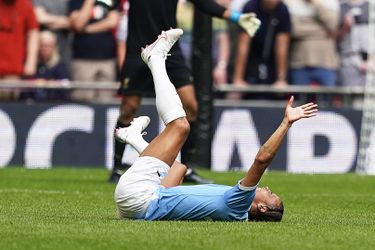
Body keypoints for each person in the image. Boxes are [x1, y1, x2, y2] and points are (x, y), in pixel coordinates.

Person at [114, 29, 318, 221]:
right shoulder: (234, 212)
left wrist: (286, 123)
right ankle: (134, 138)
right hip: (137, 206)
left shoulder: (239, 203)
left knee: (180, 126)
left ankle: (155, 59)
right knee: (179, 168)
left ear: (262, 208)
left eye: (270, 194)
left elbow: (262, 159)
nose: (266, 188)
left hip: (139, 196)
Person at [111, 0, 261, 184]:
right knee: (129, 108)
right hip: (138, 50)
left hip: (169, 49)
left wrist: (236, 17)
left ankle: (186, 169)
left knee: (191, 107)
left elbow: (203, 3)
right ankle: (117, 168)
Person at [231, 0, 291, 100]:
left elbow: (282, 46)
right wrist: (238, 79)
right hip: (251, 63)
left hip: (272, 65)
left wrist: (281, 79)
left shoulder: (282, 9)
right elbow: (243, 45)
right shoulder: (250, 7)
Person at [68, 0, 120, 101]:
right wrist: (89, 2)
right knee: (82, 101)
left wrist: (86, 29)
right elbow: (78, 24)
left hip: (107, 58)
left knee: (106, 100)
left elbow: (112, 22)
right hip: (83, 58)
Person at [285, 0, 340, 87]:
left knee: (327, 100)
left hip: (326, 63)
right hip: (299, 63)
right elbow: (294, 30)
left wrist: (314, 3)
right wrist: (323, 31)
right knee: (301, 100)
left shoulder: (331, 2)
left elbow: (333, 25)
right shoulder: (290, 2)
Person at [0, 0, 39, 100]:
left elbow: (33, 32)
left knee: (9, 109)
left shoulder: (25, 5)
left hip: (12, 72)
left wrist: (31, 62)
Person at [337, 0, 369, 87]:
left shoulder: (371, 6)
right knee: (350, 95)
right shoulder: (340, 7)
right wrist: (345, 26)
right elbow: (334, 38)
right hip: (348, 59)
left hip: (370, 60)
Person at [33, 0, 72, 65]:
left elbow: (77, 23)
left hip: (64, 49)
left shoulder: (67, 1)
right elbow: (41, 18)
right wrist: (68, 21)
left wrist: (49, 22)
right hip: (43, 50)